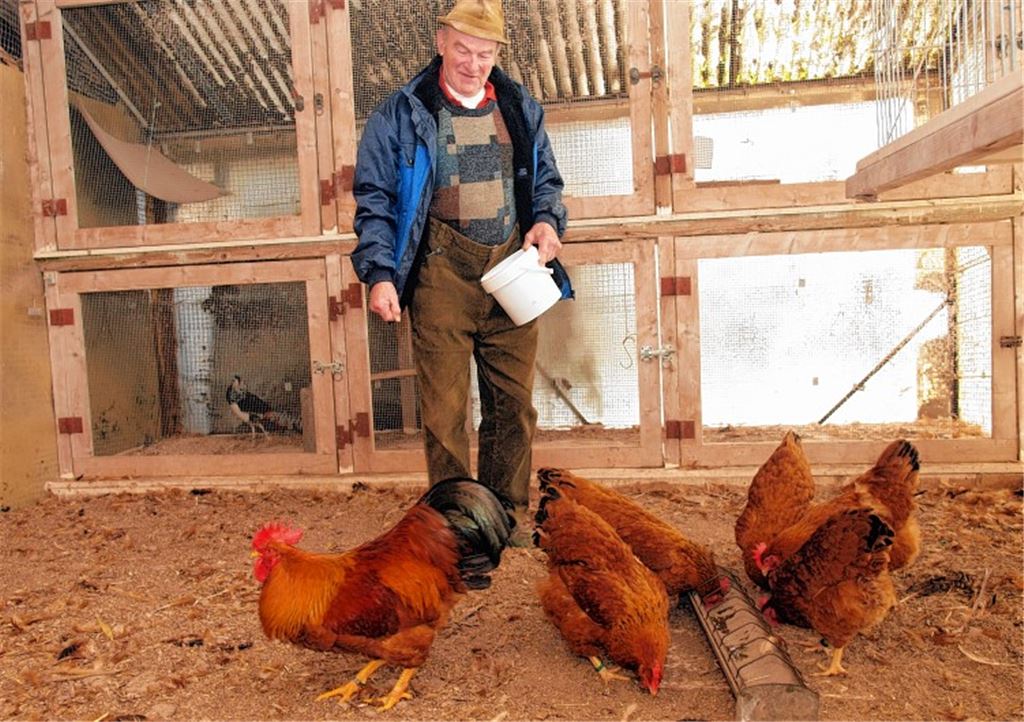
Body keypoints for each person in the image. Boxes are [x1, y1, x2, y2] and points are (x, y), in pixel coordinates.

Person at [351, 0, 571, 543]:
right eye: (464, 51)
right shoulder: (402, 114)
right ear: (441, 42)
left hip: (510, 269)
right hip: (440, 274)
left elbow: (546, 181)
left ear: (498, 52)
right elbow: (374, 198)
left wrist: (545, 221)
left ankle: (503, 516)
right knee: (445, 411)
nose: (475, 64)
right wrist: (381, 274)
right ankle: (455, 526)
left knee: (513, 405)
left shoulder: (519, 105)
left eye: (486, 53)